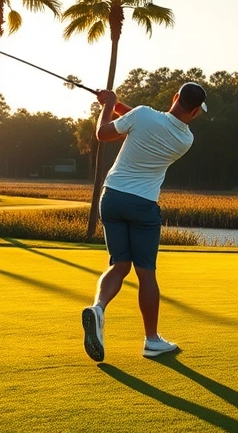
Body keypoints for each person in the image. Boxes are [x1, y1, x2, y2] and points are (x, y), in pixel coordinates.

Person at [81, 82, 208, 362]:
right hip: (142, 205)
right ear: (196, 112)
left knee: (119, 265)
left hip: (111, 197)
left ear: (175, 97)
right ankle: (151, 340)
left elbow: (103, 133)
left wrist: (108, 105)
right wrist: (114, 104)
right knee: (146, 274)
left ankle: (98, 308)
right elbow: (150, 121)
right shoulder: (185, 140)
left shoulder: (141, 114)